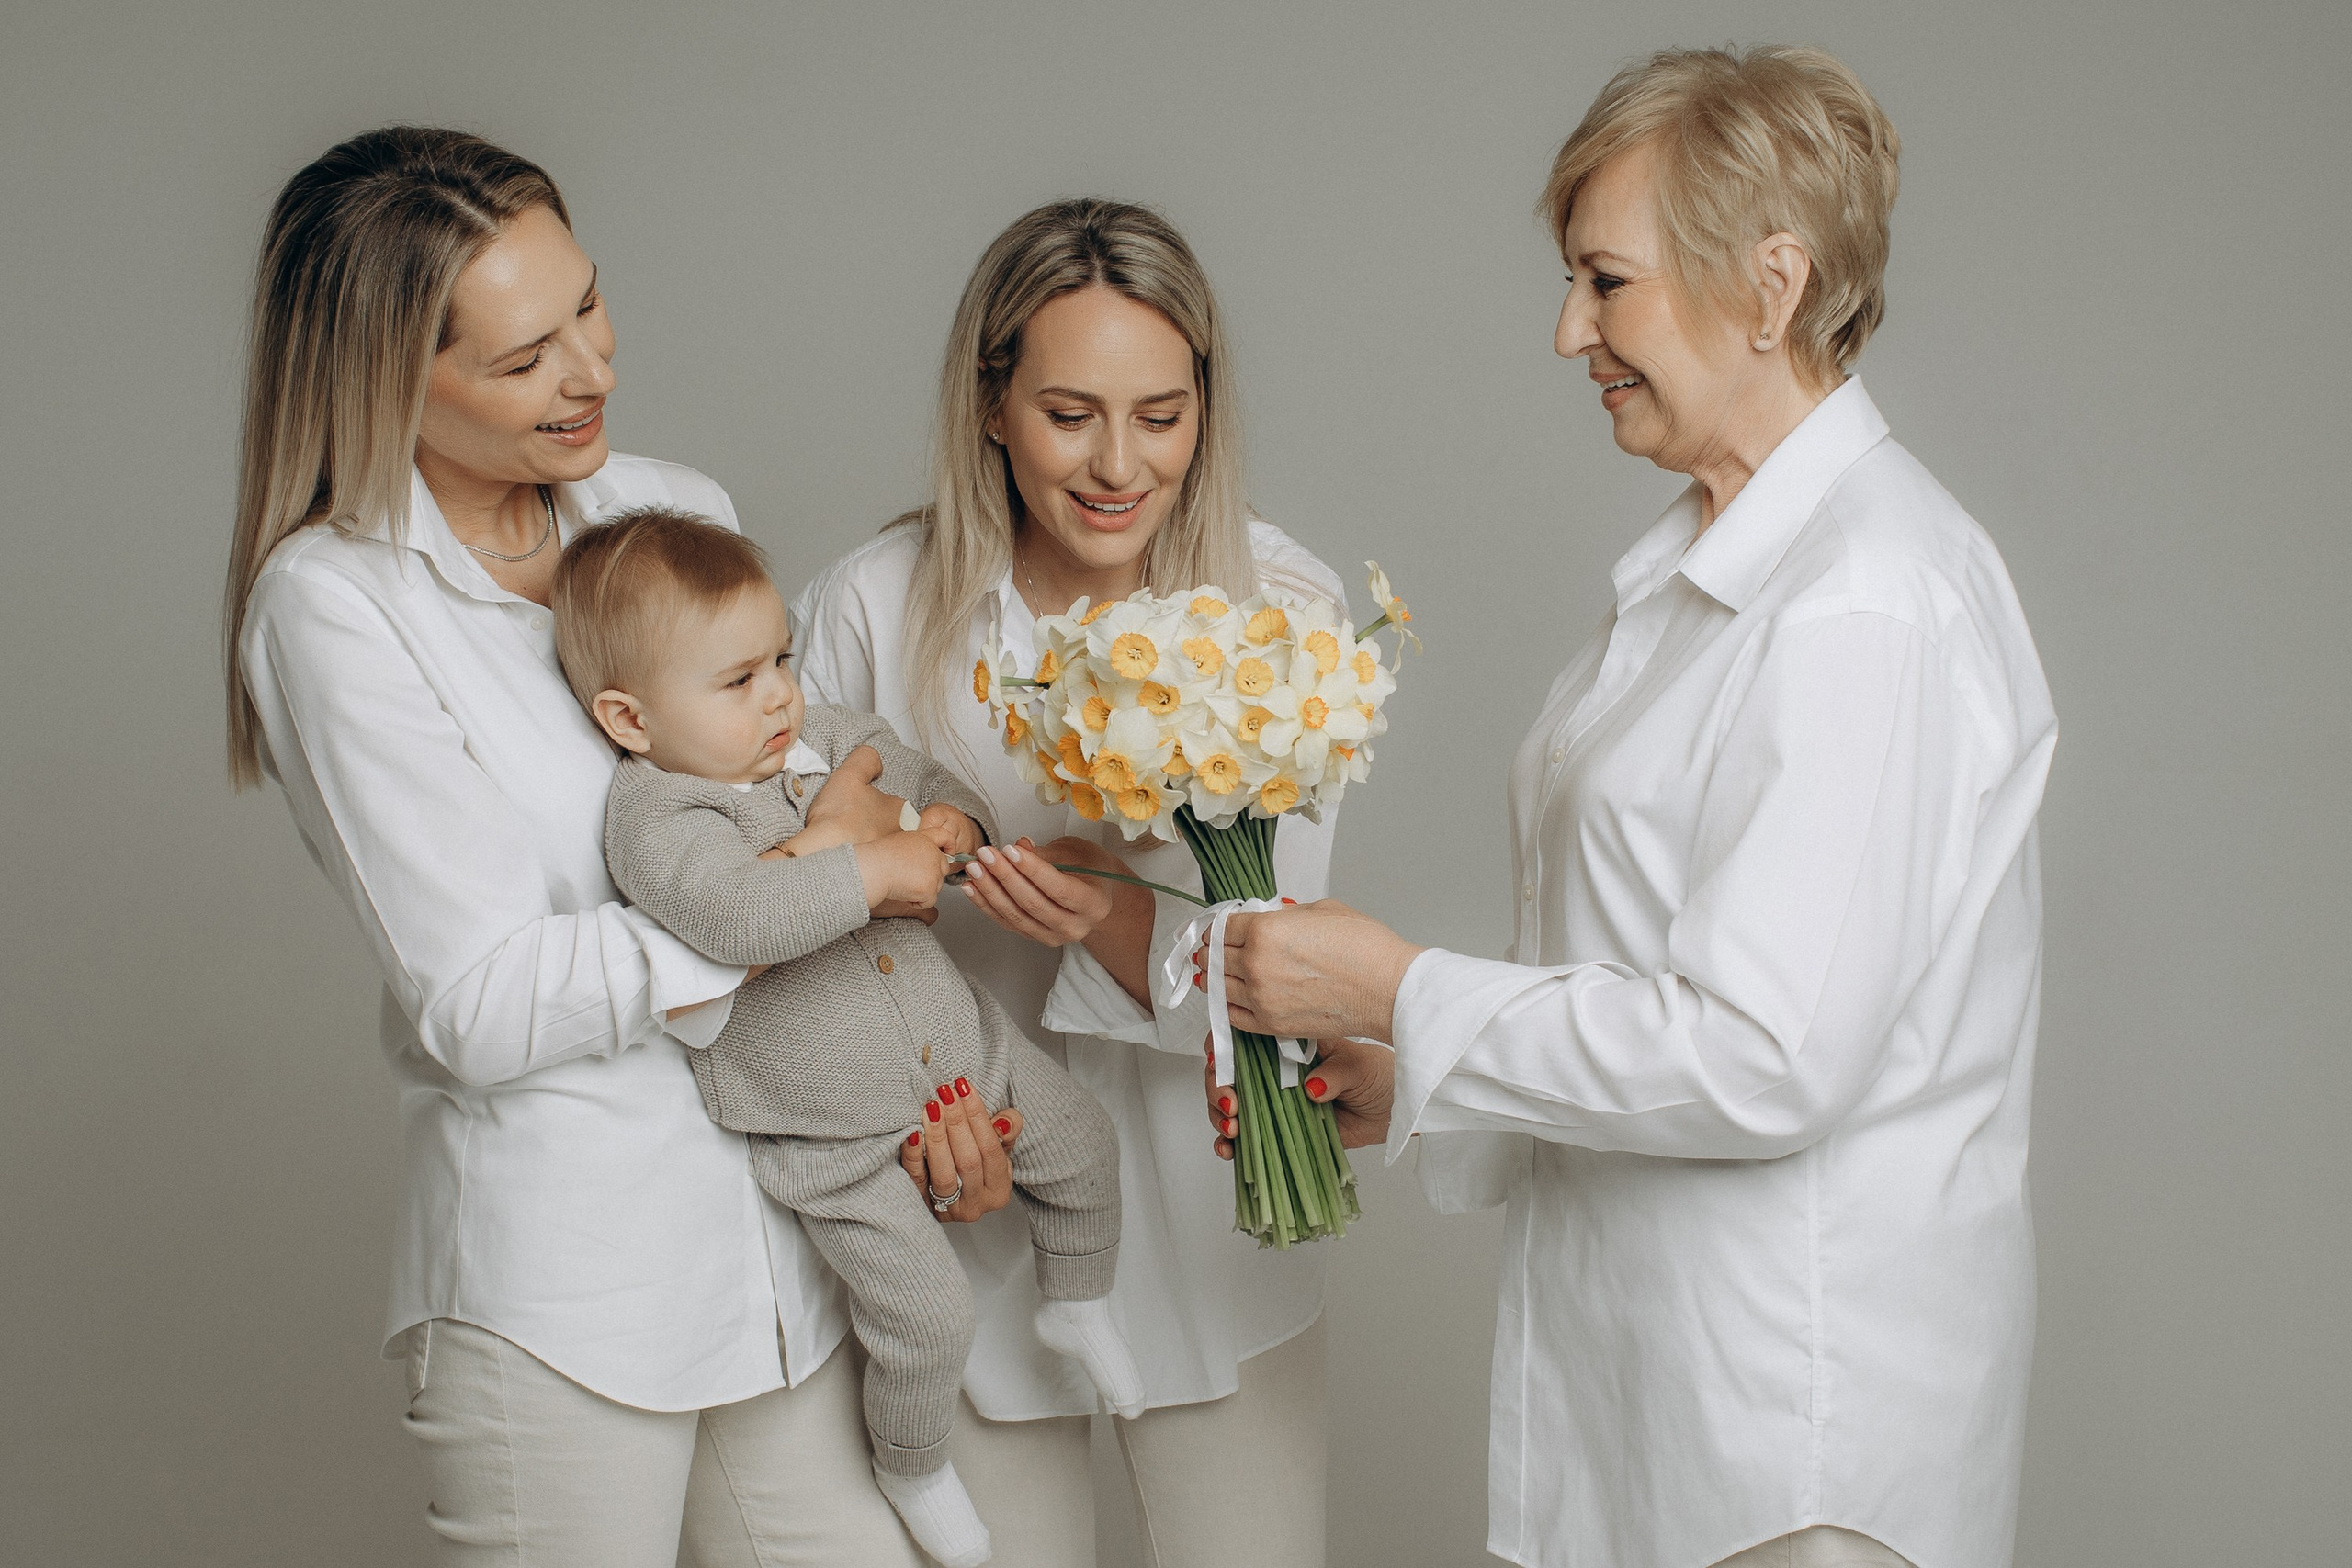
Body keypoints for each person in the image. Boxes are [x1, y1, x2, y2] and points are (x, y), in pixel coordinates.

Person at [1204, 47, 2058, 1568]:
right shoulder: (1722, 563)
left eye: (1606, 282)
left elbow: (1761, 1054)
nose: (1567, 332)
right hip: (1675, 1409)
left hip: (1795, 1441)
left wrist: (1408, 986)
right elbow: (1658, 968)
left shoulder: (1865, 599)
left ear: (1771, 284)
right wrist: (1418, 1068)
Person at [224, 127, 984, 1566]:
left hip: (788, 1244)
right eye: (522, 360)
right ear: (390, 381)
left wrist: (897, 866)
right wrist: (792, 892)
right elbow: (483, 1003)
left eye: (588, 303)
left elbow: (813, 780)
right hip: (562, 1293)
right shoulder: (336, 607)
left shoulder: (672, 510)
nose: (591, 371)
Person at [792, 198, 1343, 1567]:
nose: (1118, 463)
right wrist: (910, 1135)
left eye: (1161, 413)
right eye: (1068, 412)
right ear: (989, 404)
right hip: (958, 1216)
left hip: (1220, 1200)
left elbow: (1290, 947)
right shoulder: (872, 605)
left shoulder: (1277, 603)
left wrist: (1114, 916)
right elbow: (804, 925)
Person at [558, 507, 1146, 1567]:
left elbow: (913, 772)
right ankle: (913, 1472)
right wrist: (868, 864)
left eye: (779, 657)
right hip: (827, 1138)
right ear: (630, 718)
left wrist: (954, 819)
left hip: (968, 1050)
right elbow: (736, 920)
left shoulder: (818, 733)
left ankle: (1080, 1302)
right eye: (737, 682)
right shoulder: (659, 819)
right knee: (926, 1317)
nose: (779, 692)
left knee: (1086, 1145)